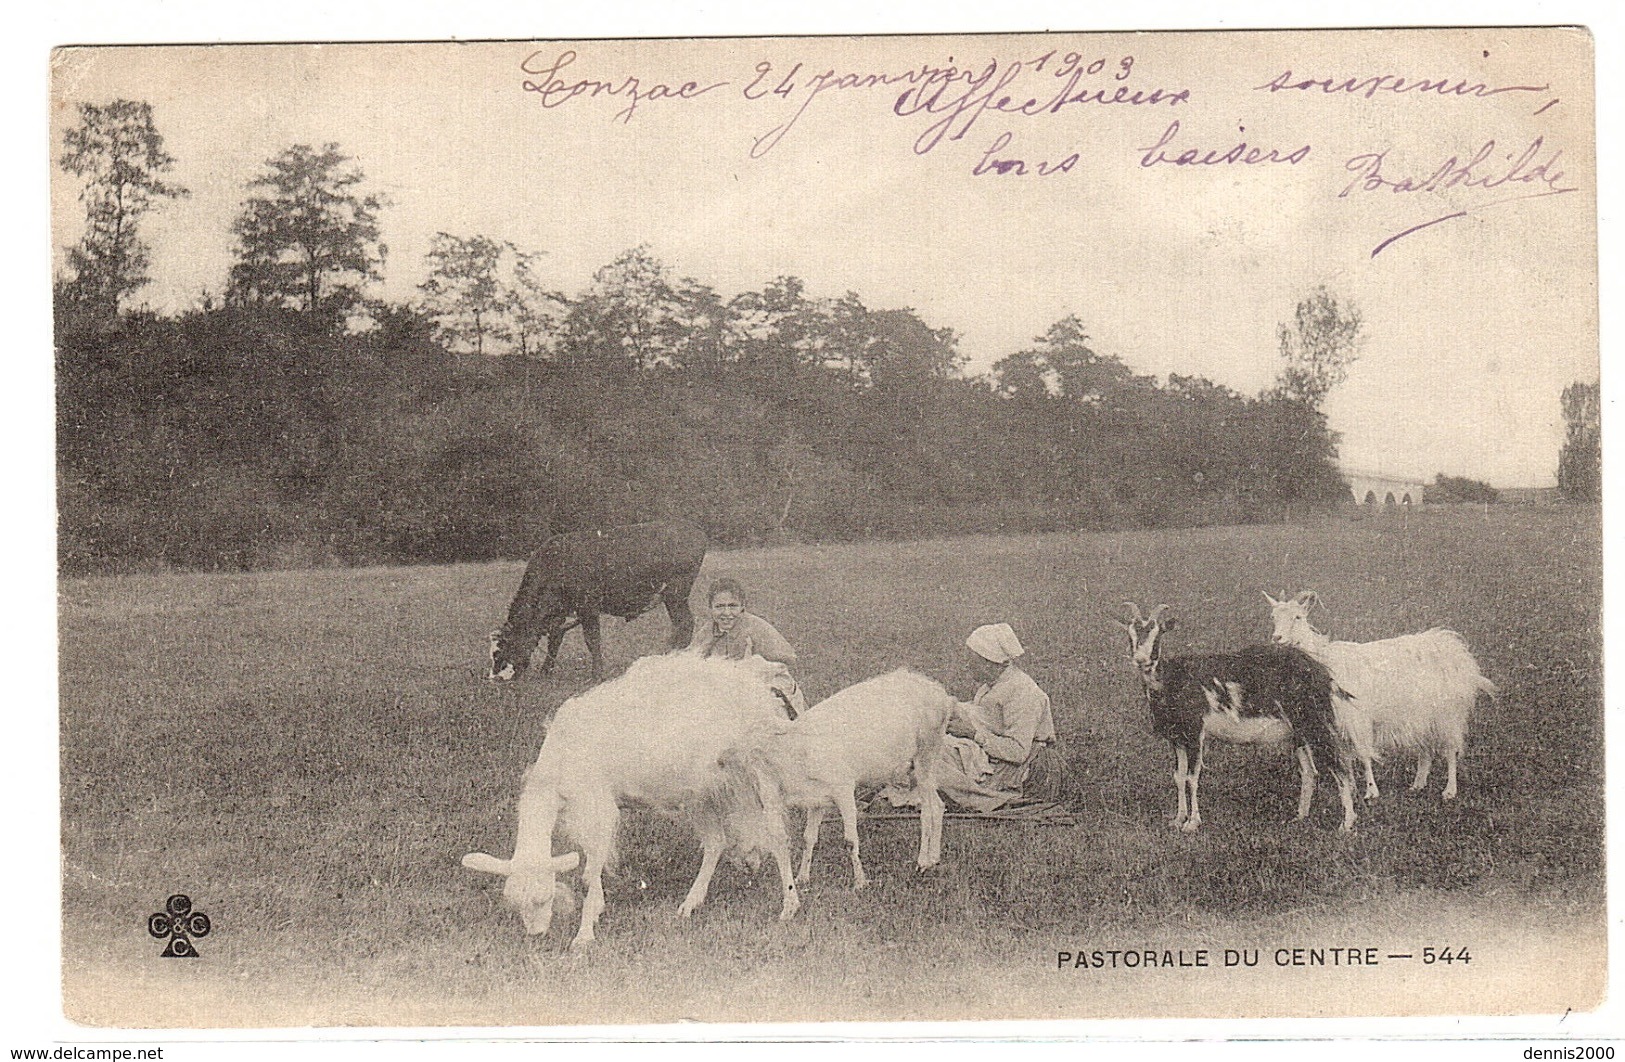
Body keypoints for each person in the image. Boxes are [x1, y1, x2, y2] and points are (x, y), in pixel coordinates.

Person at [930, 622, 1062, 813]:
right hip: (991, 756)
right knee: (929, 747)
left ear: (992, 662)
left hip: (1019, 768)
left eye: (973, 660)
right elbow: (985, 718)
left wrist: (973, 734)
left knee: (934, 760)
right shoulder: (990, 687)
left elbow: (1018, 752)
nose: (968, 666)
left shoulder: (1023, 692)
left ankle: (983, 799)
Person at [689, 577, 807, 716]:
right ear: (710, 608)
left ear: (742, 607)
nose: (727, 613)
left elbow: (787, 659)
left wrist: (754, 665)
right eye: (720, 607)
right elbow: (691, 660)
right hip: (730, 689)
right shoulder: (709, 630)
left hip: (767, 688)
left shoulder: (755, 626)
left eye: (733, 606)